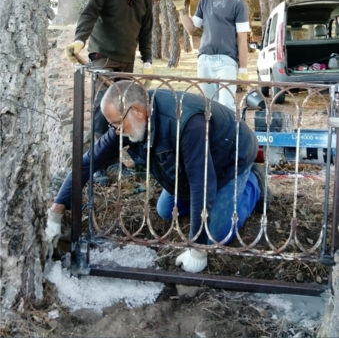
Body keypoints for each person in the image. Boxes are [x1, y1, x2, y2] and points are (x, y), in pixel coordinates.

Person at [46, 81, 271, 273]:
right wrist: (57, 211)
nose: (114, 130)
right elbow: (88, 162)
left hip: (231, 157)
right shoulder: (131, 121)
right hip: (194, 163)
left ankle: (253, 184)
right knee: (165, 210)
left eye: (116, 123)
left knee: (217, 234)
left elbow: (201, 183)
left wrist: (197, 250)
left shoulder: (188, 123)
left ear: (136, 111)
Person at [64, 0, 153, 140]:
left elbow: (146, 30)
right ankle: (95, 162)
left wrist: (147, 61)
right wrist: (79, 40)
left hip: (126, 59)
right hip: (102, 56)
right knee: (102, 106)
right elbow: (90, 13)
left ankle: (114, 158)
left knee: (124, 107)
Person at [173, 0, 251, 111]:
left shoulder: (238, 4)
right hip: (205, 60)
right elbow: (192, 29)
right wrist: (181, 8)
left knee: (226, 106)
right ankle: (210, 135)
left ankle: (229, 134)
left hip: (227, 61)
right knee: (208, 107)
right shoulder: (205, 1)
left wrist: (243, 69)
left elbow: (242, 39)